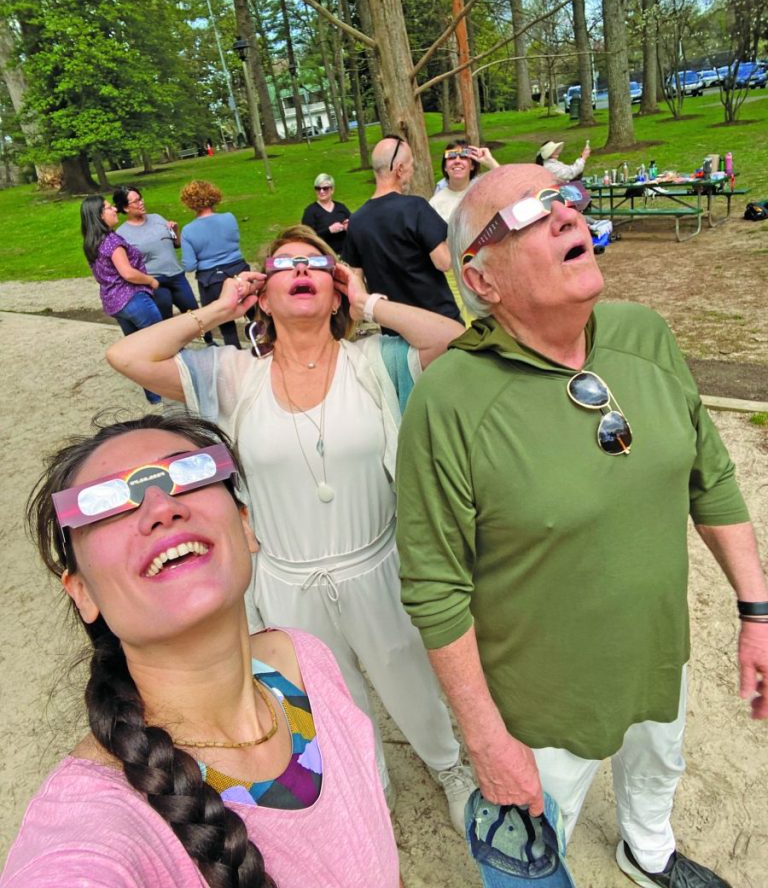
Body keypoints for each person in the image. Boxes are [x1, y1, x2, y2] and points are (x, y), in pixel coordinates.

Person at [395, 163, 768, 888]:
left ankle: (647, 851)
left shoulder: (642, 334)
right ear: (481, 279)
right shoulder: (450, 399)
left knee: (659, 761)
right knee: (540, 831)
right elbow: (435, 586)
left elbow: (711, 476)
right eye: (530, 212)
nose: (566, 212)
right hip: (542, 696)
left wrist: (756, 611)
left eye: (565, 196)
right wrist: (487, 740)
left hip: (658, 650)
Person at [106, 225, 476, 834]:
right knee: (328, 700)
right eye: (284, 264)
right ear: (263, 295)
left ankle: (449, 767)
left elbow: (456, 338)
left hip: (378, 566)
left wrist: (371, 302)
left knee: (409, 678)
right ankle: (371, 785)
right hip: (285, 578)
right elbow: (127, 357)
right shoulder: (234, 376)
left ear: (335, 293)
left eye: (316, 264)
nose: (301, 270)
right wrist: (216, 311)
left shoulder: (375, 363)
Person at [1, 413, 399, 888]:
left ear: (245, 526)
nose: (161, 507)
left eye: (189, 473)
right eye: (105, 502)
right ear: (82, 592)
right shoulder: (94, 828)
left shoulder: (303, 660)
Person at [343, 135, 461, 326]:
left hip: (393, 330)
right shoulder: (416, 207)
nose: (412, 172)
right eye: (411, 166)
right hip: (439, 324)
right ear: (399, 169)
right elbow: (444, 262)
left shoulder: (356, 221)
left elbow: (356, 279)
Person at [80, 194, 163, 404]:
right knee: (161, 344)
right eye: (109, 208)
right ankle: (176, 387)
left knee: (137, 349)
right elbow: (128, 273)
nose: (115, 209)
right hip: (133, 298)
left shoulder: (91, 243)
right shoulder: (112, 241)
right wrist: (150, 281)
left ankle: (154, 395)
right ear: (99, 216)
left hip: (115, 303)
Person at [114, 185, 209, 341]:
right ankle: (175, 349)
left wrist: (175, 230)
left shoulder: (157, 218)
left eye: (140, 198)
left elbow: (176, 243)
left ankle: (209, 341)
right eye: (136, 201)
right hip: (155, 281)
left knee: (194, 314)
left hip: (177, 276)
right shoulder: (122, 234)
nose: (141, 203)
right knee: (165, 320)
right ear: (125, 208)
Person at [180, 180, 252, 349]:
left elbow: (190, 266)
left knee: (225, 322)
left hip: (212, 280)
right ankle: (264, 343)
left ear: (189, 202)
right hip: (239, 271)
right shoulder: (229, 218)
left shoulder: (188, 231)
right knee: (253, 311)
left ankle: (234, 354)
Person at [430, 140, 499, 222]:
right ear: (445, 167)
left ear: (472, 166)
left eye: (463, 157)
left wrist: (491, 162)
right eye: (452, 157)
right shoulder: (434, 204)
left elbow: (510, 192)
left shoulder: (484, 190)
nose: (457, 161)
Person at [301, 173, 351, 255]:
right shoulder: (310, 211)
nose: (321, 191)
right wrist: (329, 230)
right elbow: (307, 237)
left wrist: (347, 226)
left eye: (325, 188)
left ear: (332, 190)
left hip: (345, 253)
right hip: (323, 255)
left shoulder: (341, 207)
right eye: (318, 188)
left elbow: (353, 226)